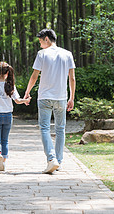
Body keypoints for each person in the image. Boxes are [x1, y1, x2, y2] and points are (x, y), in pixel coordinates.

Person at [24, 29, 76, 174]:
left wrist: (27, 92)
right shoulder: (67, 54)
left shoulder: (42, 54)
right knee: (60, 129)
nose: (40, 45)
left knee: (45, 128)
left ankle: (51, 158)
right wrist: (71, 97)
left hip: (45, 97)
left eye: (40, 41)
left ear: (46, 39)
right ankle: (58, 161)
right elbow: (72, 78)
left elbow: (34, 76)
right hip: (61, 97)